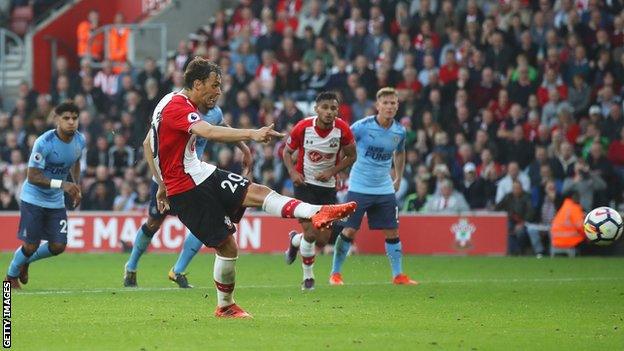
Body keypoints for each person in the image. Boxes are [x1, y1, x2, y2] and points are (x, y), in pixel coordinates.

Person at [145, 57, 356, 318]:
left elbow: (147, 144)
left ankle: (317, 212)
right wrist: (252, 134)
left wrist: (160, 183)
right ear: (197, 84)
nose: (219, 91)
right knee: (228, 248)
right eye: (215, 85)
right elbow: (209, 132)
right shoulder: (179, 107)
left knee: (259, 192)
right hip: (187, 189)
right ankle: (225, 306)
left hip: (199, 171)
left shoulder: (166, 100)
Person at [123, 88, 253, 289]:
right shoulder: (176, 108)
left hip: (194, 180)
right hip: (166, 178)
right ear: (199, 87)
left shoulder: (214, 112)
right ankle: (131, 267)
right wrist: (160, 182)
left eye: (218, 90)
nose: (215, 94)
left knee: (205, 222)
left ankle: (177, 270)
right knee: (153, 223)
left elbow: (221, 126)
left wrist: (243, 148)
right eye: (212, 88)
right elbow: (148, 143)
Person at [329, 87, 418, 286]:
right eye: (385, 103)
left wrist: (398, 177)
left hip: (384, 188)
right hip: (359, 186)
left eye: (393, 103)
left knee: (392, 232)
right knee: (350, 230)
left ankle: (398, 275)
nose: (389, 106)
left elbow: (400, 153)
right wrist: (338, 171)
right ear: (377, 106)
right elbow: (343, 146)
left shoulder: (399, 131)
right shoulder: (361, 127)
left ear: (397, 106)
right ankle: (335, 273)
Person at [5, 102, 85, 289]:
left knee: (58, 246)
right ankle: (10, 276)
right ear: (56, 119)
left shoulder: (80, 140)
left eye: (74, 118)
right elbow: (32, 176)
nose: (71, 122)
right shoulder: (44, 142)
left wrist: (77, 185)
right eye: (66, 118)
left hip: (55, 201)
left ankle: (26, 261)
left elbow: (75, 161)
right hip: (33, 198)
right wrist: (63, 184)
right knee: (31, 245)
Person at [282, 91, 357, 291]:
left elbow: (351, 156)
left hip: (327, 188)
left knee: (323, 240)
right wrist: (292, 172)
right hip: (304, 185)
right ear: (316, 109)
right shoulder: (303, 127)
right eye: (325, 108)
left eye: (333, 108)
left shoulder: (342, 129)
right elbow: (287, 152)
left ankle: (294, 240)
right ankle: (308, 279)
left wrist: (332, 171)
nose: (329, 112)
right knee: (312, 231)